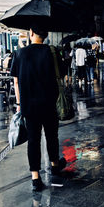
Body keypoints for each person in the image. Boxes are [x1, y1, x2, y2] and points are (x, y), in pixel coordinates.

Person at [11, 23, 65, 192]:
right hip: (50, 103)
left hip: (29, 105)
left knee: (33, 140)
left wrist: (19, 104)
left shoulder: (19, 53)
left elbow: (16, 82)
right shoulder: (53, 52)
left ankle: (35, 177)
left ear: (31, 32)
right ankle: (55, 165)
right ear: (46, 34)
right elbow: (61, 74)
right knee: (52, 136)